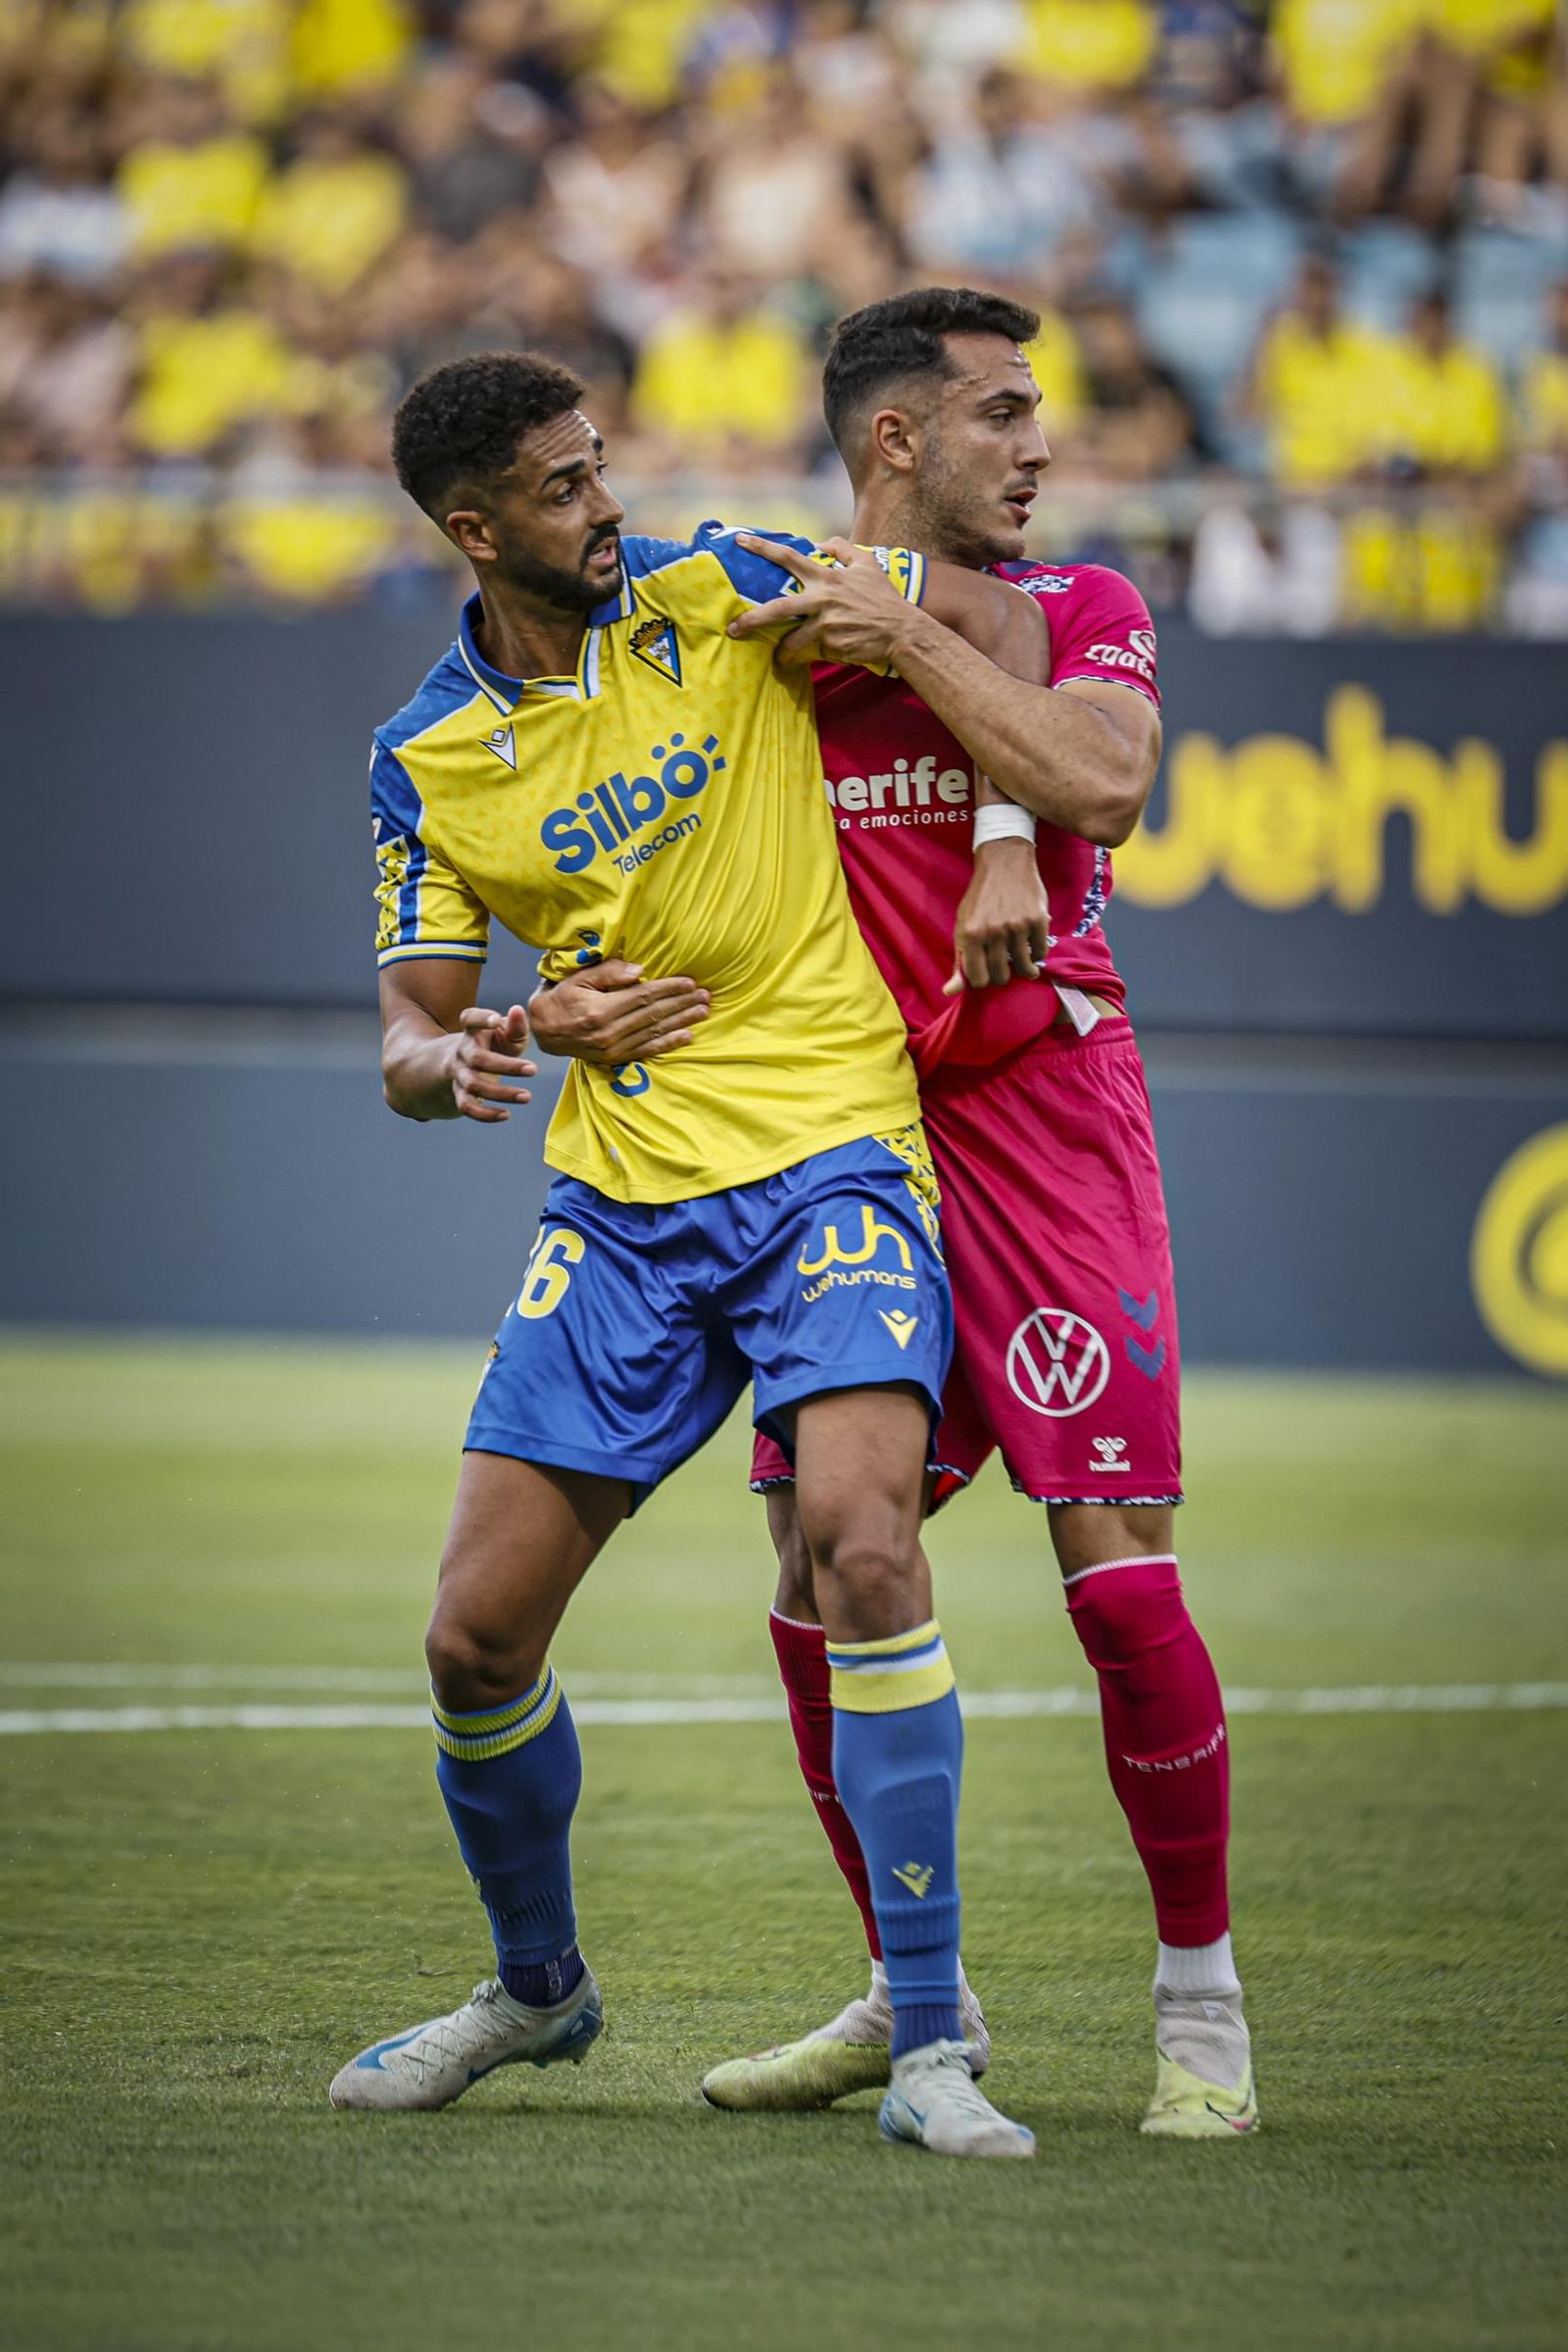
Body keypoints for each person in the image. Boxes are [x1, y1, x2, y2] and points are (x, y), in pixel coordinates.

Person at [530, 288, 1255, 2138]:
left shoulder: (1084, 603)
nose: (1041, 446)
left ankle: (1202, 2013)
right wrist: (554, 993)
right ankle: (906, 1992)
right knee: (815, 1561)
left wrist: (937, 674)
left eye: (1040, 413)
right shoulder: (765, 617)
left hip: (1046, 1114)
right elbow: (632, 820)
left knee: (1116, 1563)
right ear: (896, 439)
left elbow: (1106, 779)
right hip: (855, 1138)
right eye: (1003, 413)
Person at [327, 346, 1038, 2160]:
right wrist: (493, 1046)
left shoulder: (720, 583)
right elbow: (412, 1033)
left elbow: (994, 618)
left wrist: (1007, 830)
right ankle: (537, 1990)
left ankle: (932, 2040)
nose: (607, 502)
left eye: (601, 465)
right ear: (474, 530)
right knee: (473, 1640)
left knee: (864, 1543)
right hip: (624, 1207)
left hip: (829, 1154)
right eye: (562, 487)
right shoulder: (426, 756)